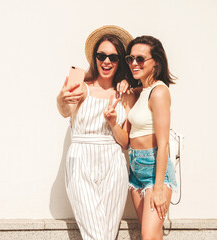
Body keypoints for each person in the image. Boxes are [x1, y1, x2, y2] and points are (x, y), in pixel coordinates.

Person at [57, 25, 136, 240]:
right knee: (94, 232)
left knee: (107, 233)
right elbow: (65, 111)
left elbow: (125, 142)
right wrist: (60, 99)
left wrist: (112, 123)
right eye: (101, 55)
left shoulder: (126, 95)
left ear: (120, 60)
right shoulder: (82, 88)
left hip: (114, 164)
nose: (106, 61)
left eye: (113, 56)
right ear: (95, 58)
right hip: (81, 161)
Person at [126, 36, 178, 239]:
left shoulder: (159, 92)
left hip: (155, 171)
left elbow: (163, 144)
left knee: (148, 236)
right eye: (130, 58)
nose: (134, 63)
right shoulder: (143, 91)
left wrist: (158, 189)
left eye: (140, 59)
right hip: (136, 170)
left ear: (155, 61)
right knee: (153, 236)